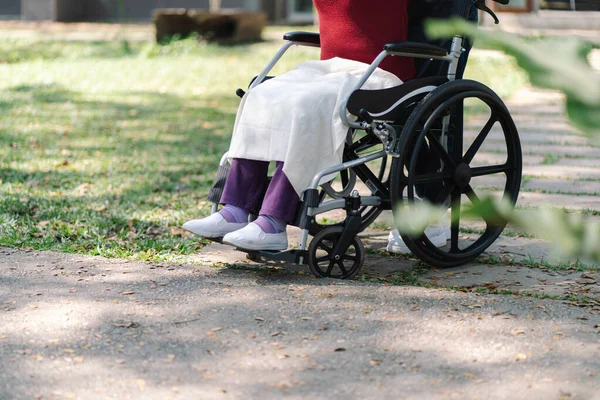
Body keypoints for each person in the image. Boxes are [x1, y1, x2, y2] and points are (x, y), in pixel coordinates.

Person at [183, 0, 438, 251]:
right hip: (330, 68)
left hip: (379, 72)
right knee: (261, 94)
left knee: (306, 104)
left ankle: (273, 221)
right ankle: (235, 209)